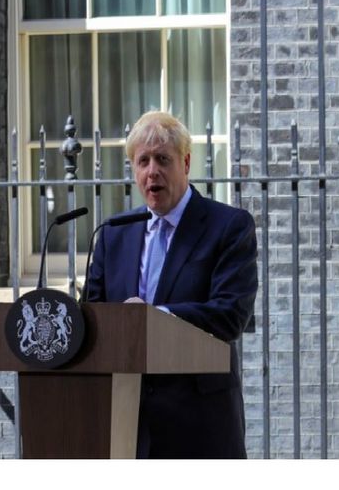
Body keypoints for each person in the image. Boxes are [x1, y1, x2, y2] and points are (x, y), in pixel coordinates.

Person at [86, 111, 258, 458]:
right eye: (143, 161)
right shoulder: (113, 233)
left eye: (163, 159)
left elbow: (230, 315)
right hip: (127, 422)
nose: (152, 171)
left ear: (186, 163)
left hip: (200, 424)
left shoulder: (228, 227)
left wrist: (152, 318)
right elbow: (92, 317)